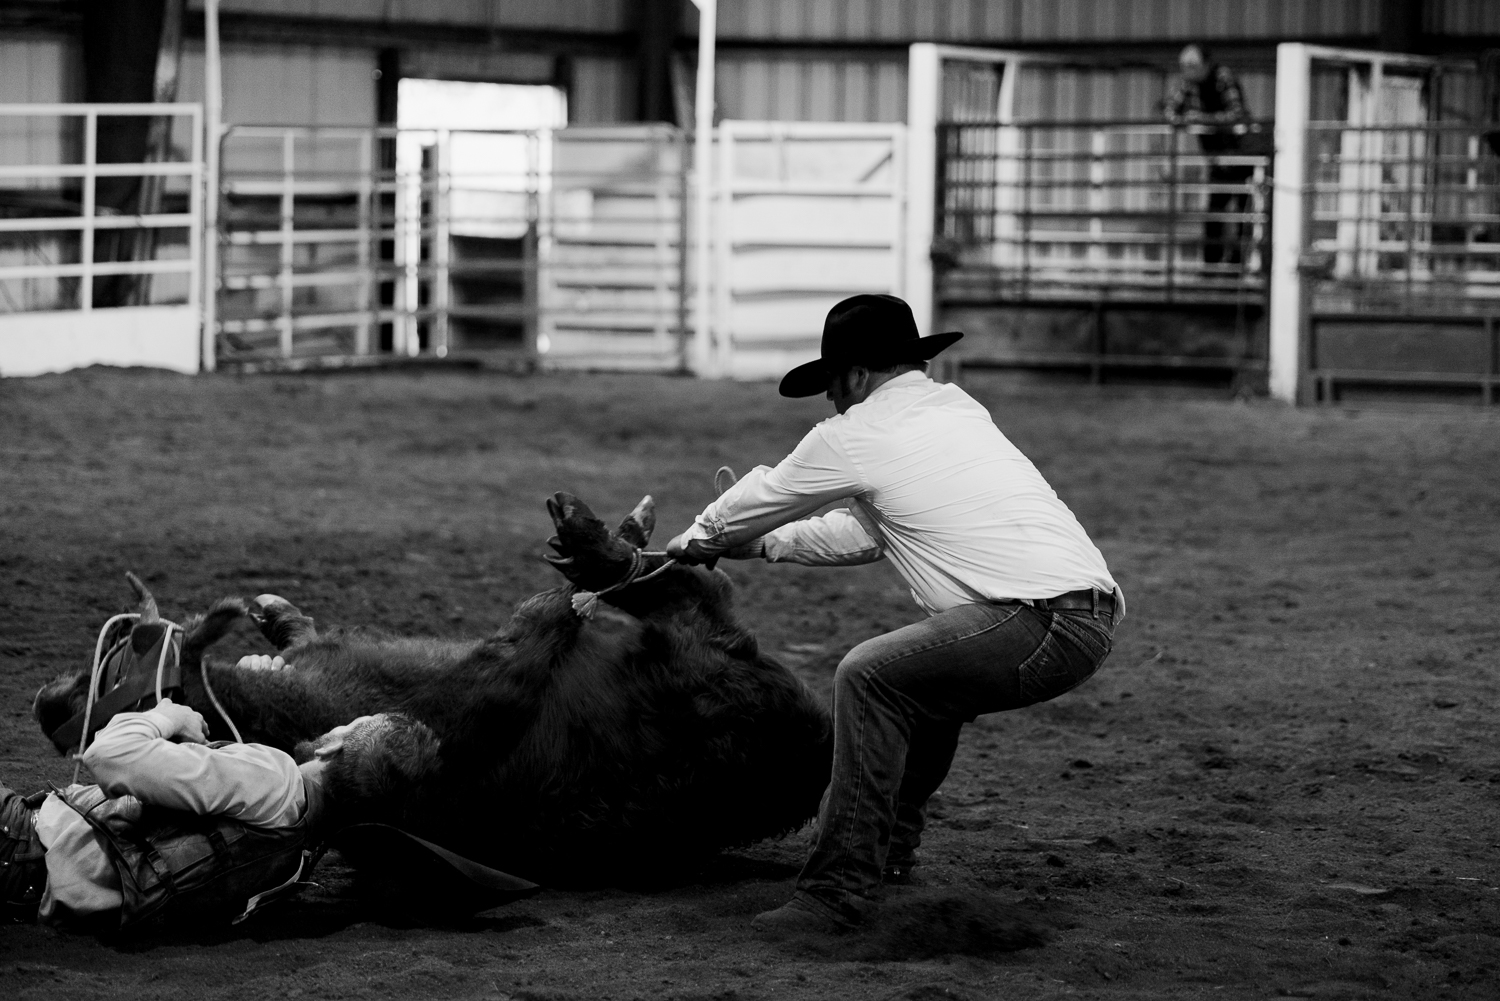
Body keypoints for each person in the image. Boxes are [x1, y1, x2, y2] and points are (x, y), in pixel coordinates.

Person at [663, 293, 1123, 933]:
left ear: (854, 375)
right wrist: (766, 543)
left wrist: (701, 537)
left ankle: (835, 892)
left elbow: (766, 493)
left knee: (870, 675)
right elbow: (868, 535)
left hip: (1035, 621)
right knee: (915, 686)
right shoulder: (954, 411)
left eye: (832, 383)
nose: (830, 399)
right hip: (1077, 617)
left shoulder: (857, 434)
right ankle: (886, 859)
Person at [0, 696, 440, 932]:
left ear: (331, 746)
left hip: (24, 843)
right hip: (43, 887)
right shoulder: (304, 846)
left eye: (350, 724)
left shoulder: (273, 780)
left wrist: (165, 715)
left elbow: (108, 754)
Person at [1165, 44, 1255, 266]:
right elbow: (1171, 111)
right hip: (1216, 158)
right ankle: (1211, 266)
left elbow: (1237, 113)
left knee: (1243, 212)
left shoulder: (1223, 78)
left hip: (1241, 154)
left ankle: (1237, 264)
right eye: (1184, 66)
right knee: (1215, 213)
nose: (1188, 71)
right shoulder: (1188, 83)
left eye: (1193, 66)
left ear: (1206, 65)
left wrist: (1203, 119)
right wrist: (1184, 118)